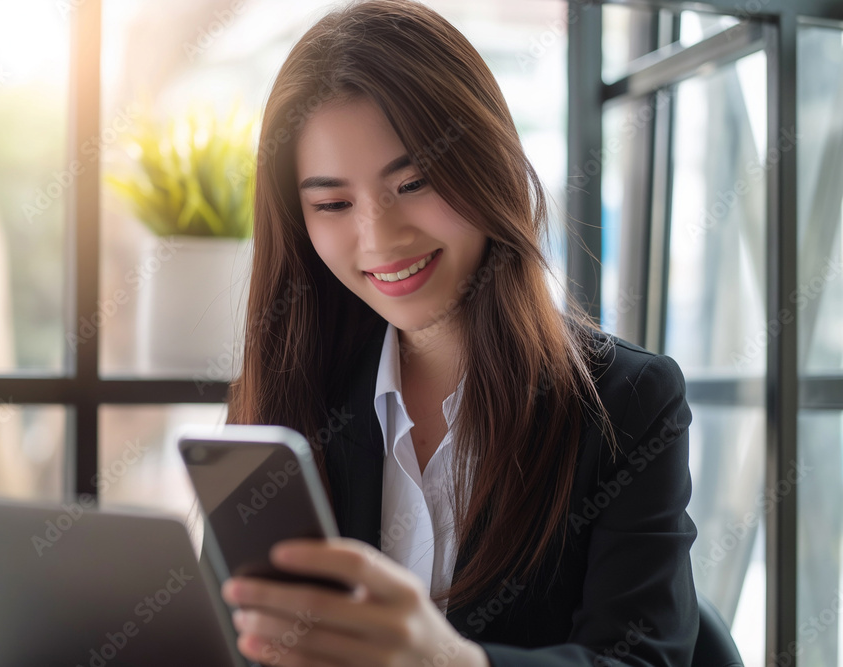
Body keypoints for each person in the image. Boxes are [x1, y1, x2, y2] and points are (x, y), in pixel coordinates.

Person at [219, 1, 699, 665]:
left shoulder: (627, 403)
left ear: (488, 163)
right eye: (332, 203)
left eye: (412, 182)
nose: (380, 238)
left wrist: (448, 659)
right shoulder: (288, 403)